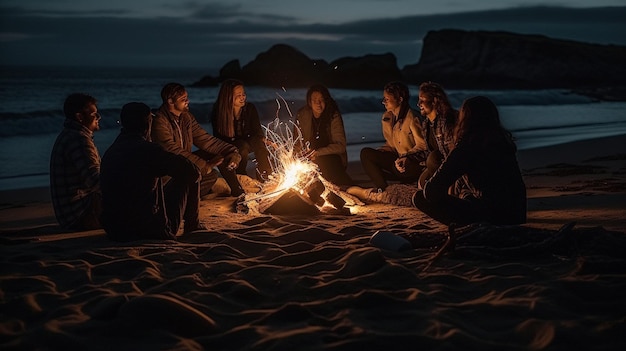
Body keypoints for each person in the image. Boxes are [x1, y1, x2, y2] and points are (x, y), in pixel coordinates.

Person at [412, 96, 527, 225]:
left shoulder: (468, 146)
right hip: (517, 214)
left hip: (492, 216)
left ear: (464, 119)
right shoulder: (503, 141)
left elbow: (432, 191)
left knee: (420, 198)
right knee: (468, 194)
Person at [100, 102, 202, 241]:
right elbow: (192, 172)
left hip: (115, 230)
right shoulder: (148, 150)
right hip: (146, 229)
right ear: (148, 123)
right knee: (188, 176)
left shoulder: (111, 150)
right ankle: (193, 225)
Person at [151, 82, 244, 199]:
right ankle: (178, 199)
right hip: (168, 173)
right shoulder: (160, 121)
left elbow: (205, 140)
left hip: (183, 165)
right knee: (210, 175)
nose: (187, 101)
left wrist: (232, 151)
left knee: (217, 161)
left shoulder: (186, 117)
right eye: (183, 99)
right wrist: (205, 166)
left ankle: (238, 192)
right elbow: (172, 150)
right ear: (170, 101)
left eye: (187, 98)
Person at [358, 81, 427, 191]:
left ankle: (407, 181)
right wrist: (380, 152)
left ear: (400, 99)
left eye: (387, 99)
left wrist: (407, 158)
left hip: (413, 165)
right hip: (398, 161)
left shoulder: (413, 118)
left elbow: (423, 146)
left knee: (394, 167)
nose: (383, 102)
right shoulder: (388, 117)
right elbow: (392, 145)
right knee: (366, 154)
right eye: (383, 98)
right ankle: (383, 189)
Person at [50, 93, 102, 231]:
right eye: (94, 114)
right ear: (80, 117)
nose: (98, 117)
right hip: (80, 215)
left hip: (71, 215)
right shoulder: (79, 139)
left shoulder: (70, 135)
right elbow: (95, 181)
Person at [211, 79, 272, 182]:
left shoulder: (250, 108)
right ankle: (241, 177)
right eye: (238, 95)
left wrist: (264, 139)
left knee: (259, 143)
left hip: (249, 141)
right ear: (228, 97)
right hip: (230, 145)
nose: (242, 97)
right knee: (242, 147)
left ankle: (265, 175)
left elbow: (257, 131)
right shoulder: (219, 112)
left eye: (243, 94)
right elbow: (218, 137)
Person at [295, 84, 353, 185]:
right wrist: (301, 154)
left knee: (327, 164)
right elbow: (297, 142)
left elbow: (340, 146)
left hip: (332, 158)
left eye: (321, 100)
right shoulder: (302, 115)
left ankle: (341, 185)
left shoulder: (333, 115)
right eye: (315, 100)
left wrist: (317, 152)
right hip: (310, 158)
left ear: (326, 100)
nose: (318, 104)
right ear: (309, 102)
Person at [416, 81, 459, 188]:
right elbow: (428, 151)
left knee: (433, 158)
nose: (418, 104)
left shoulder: (447, 120)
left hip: (452, 167)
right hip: (438, 164)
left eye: (422, 100)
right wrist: (407, 158)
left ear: (434, 101)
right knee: (421, 184)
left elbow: (454, 153)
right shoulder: (426, 124)